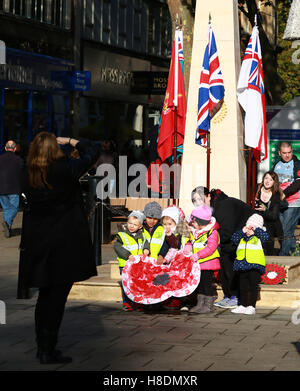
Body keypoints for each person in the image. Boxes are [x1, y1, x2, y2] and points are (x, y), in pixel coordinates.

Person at [18, 132, 102, 364]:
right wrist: (71, 141)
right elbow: (93, 149)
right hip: (64, 241)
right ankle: (47, 348)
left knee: (44, 296)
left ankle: (42, 346)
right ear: (55, 149)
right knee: (56, 298)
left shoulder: (27, 172)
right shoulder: (65, 169)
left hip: (38, 242)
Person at [191, 186, 254, 309]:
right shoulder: (211, 209)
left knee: (227, 261)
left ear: (208, 196)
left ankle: (235, 296)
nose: (197, 203)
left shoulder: (222, 206)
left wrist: (210, 241)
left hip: (246, 236)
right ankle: (228, 295)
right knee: (223, 260)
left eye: (200, 199)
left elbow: (226, 231)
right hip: (232, 237)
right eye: (194, 200)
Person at [184, 204, 220, 314]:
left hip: (208, 263)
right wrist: (188, 246)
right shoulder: (196, 232)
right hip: (198, 264)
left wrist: (198, 255)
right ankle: (200, 304)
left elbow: (211, 248)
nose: (192, 224)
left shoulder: (212, 232)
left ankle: (208, 305)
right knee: (199, 284)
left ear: (201, 222)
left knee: (207, 285)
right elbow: (191, 241)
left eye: (194, 222)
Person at [231, 214, 269, 315]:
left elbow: (266, 237)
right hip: (242, 265)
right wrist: (243, 230)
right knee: (242, 286)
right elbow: (234, 238)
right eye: (248, 228)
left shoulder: (259, 237)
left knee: (253, 286)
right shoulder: (242, 237)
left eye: (251, 229)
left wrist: (256, 229)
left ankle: (252, 306)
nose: (249, 231)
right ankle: (242, 305)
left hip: (255, 266)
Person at [114, 210, 150, 311]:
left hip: (138, 265)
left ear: (140, 226)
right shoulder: (122, 235)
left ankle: (137, 302)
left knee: (137, 284)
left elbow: (146, 243)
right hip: (125, 265)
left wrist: (146, 249)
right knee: (127, 284)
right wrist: (127, 255)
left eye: (135, 224)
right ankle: (127, 302)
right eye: (130, 223)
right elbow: (117, 247)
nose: (131, 226)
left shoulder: (143, 235)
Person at [273, 142, 300, 255]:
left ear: (292, 152)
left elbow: (298, 182)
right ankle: (294, 251)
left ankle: (283, 255)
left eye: (289, 152)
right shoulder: (277, 165)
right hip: (281, 203)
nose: (287, 155)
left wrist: (284, 193)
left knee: (285, 230)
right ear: (279, 153)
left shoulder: (297, 164)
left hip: (294, 202)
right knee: (284, 230)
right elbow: (273, 182)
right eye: (284, 153)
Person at [254, 171, 284, 255]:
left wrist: (265, 210)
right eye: (266, 178)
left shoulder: (276, 194)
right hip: (256, 222)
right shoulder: (256, 189)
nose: (267, 181)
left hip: (270, 224)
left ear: (274, 182)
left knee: (269, 247)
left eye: (271, 180)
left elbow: (274, 215)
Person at [0, 140, 24, 238]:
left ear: (5, 148)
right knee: (14, 208)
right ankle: (7, 223)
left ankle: (8, 227)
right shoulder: (19, 160)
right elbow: (22, 174)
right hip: (14, 187)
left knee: (6, 208)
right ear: (14, 149)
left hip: (1, 188)